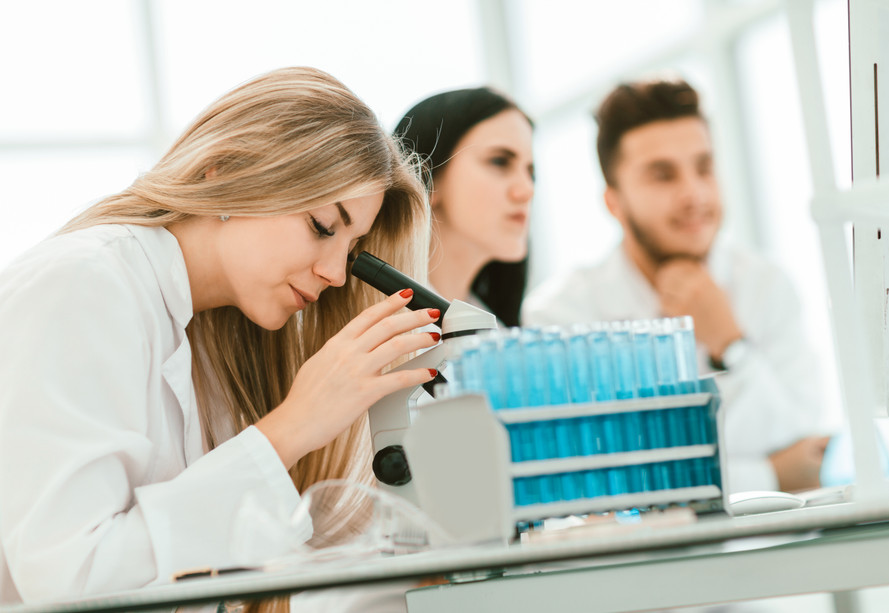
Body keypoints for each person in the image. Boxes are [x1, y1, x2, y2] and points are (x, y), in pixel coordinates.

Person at [0, 67, 439, 606]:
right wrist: (293, 427)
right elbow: (69, 580)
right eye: (323, 226)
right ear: (222, 171)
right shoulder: (84, 284)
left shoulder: (212, 337)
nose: (336, 274)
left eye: (349, 251)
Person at [523, 77, 831, 495]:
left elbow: (809, 451)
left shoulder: (766, 284)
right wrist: (770, 475)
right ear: (614, 202)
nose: (695, 194)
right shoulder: (561, 316)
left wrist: (730, 344)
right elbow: (603, 480)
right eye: (663, 175)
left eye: (704, 167)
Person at [394, 87, 535, 327]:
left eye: (531, 171)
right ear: (425, 179)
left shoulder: (498, 336)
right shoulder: (370, 330)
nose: (526, 190)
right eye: (500, 161)